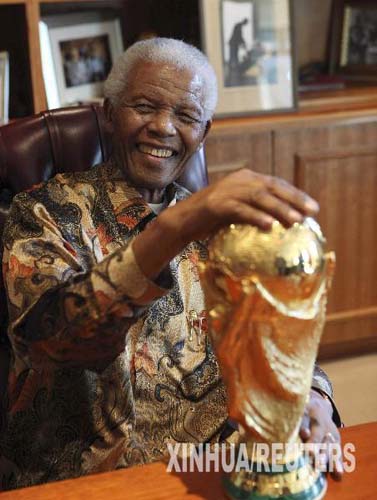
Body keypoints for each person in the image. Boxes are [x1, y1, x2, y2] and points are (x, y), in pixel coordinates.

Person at [0, 38, 342, 490]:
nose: (162, 127)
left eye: (185, 116)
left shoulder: (224, 231)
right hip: (80, 479)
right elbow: (58, 341)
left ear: (204, 132)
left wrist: (314, 398)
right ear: (108, 113)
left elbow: (272, 331)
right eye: (143, 107)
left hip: (207, 471)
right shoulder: (44, 213)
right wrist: (175, 228)